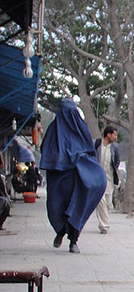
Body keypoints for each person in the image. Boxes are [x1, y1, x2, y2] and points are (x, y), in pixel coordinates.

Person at [40, 98, 106, 254]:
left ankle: (73, 241)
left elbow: (88, 150)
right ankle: (61, 231)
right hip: (59, 178)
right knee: (57, 207)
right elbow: (46, 150)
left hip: (78, 176)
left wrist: (78, 158)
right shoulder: (53, 130)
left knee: (77, 205)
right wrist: (59, 159)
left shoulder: (80, 127)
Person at [93, 126, 120, 234]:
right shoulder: (97, 144)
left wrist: (114, 169)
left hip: (109, 178)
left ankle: (104, 220)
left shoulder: (114, 148)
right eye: (114, 135)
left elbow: (116, 161)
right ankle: (104, 225)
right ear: (108, 135)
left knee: (108, 202)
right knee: (101, 200)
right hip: (98, 177)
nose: (116, 137)